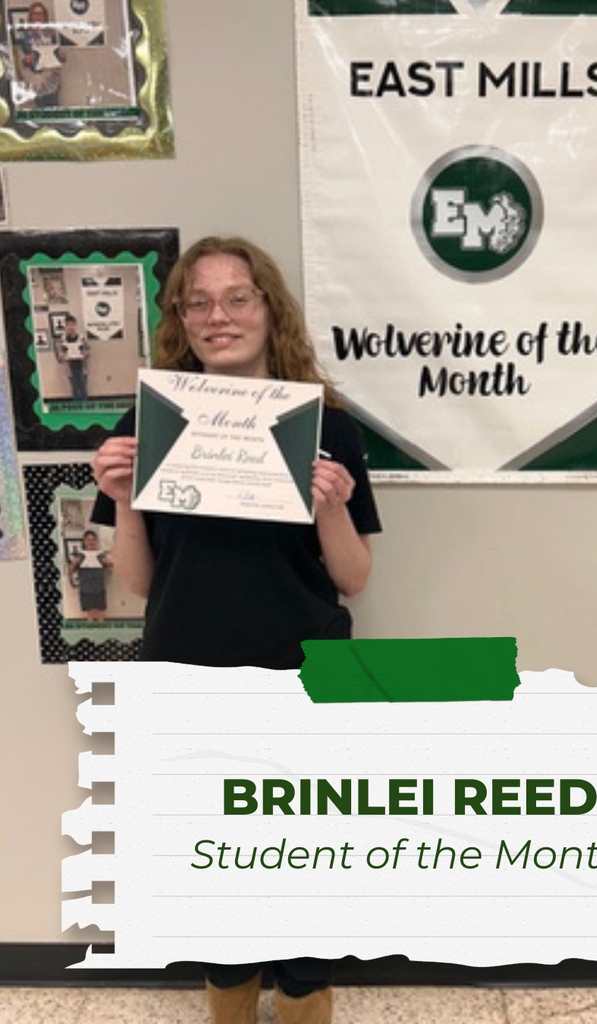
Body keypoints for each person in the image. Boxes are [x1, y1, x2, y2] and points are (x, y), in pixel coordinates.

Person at [92, 236, 381, 1024]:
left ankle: (305, 1001)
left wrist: (329, 506)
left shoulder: (329, 429)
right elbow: (140, 583)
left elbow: (354, 577)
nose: (218, 315)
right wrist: (120, 499)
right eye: (199, 302)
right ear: (181, 321)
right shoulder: (147, 426)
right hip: (190, 681)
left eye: (236, 298)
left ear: (268, 310)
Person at [15, 2, 63, 110]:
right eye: (35, 14)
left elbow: (57, 54)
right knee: (38, 109)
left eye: (41, 14)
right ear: (30, 16)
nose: (38, 17)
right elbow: (20, 58)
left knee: (53, 109)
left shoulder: (52, 34)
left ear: (45, 16)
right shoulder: (24, 36)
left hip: (51, 78)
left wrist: (60, 57)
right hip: (34, 78)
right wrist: (26, 60)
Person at [68, 529, 112, 622]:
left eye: (93, 539)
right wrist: (74, 564)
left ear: (96, 541)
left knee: (100, 611)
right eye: (88, 540)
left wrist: (108, 564)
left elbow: (109, 570)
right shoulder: (80, 555)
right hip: (86, 588)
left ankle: (102, 627)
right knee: (89, 612)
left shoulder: (101, 554)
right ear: (84, 541)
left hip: (99, 587)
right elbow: (71, 570)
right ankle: (90, 626)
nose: (90, 542)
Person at [56, 314, 90, 401]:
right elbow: (59, 359)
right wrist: (61, 356)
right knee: (75, 389)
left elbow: (88, 353)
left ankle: (85, 407)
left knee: (83, 388)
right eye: (68, 325)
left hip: (81, 367)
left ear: (75, 325)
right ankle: (76, 407)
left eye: (72, 324)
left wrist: (85, 353)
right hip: (70, 368)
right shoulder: (62, 340)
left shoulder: (82, 338)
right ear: (65, 326)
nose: (70, 327)